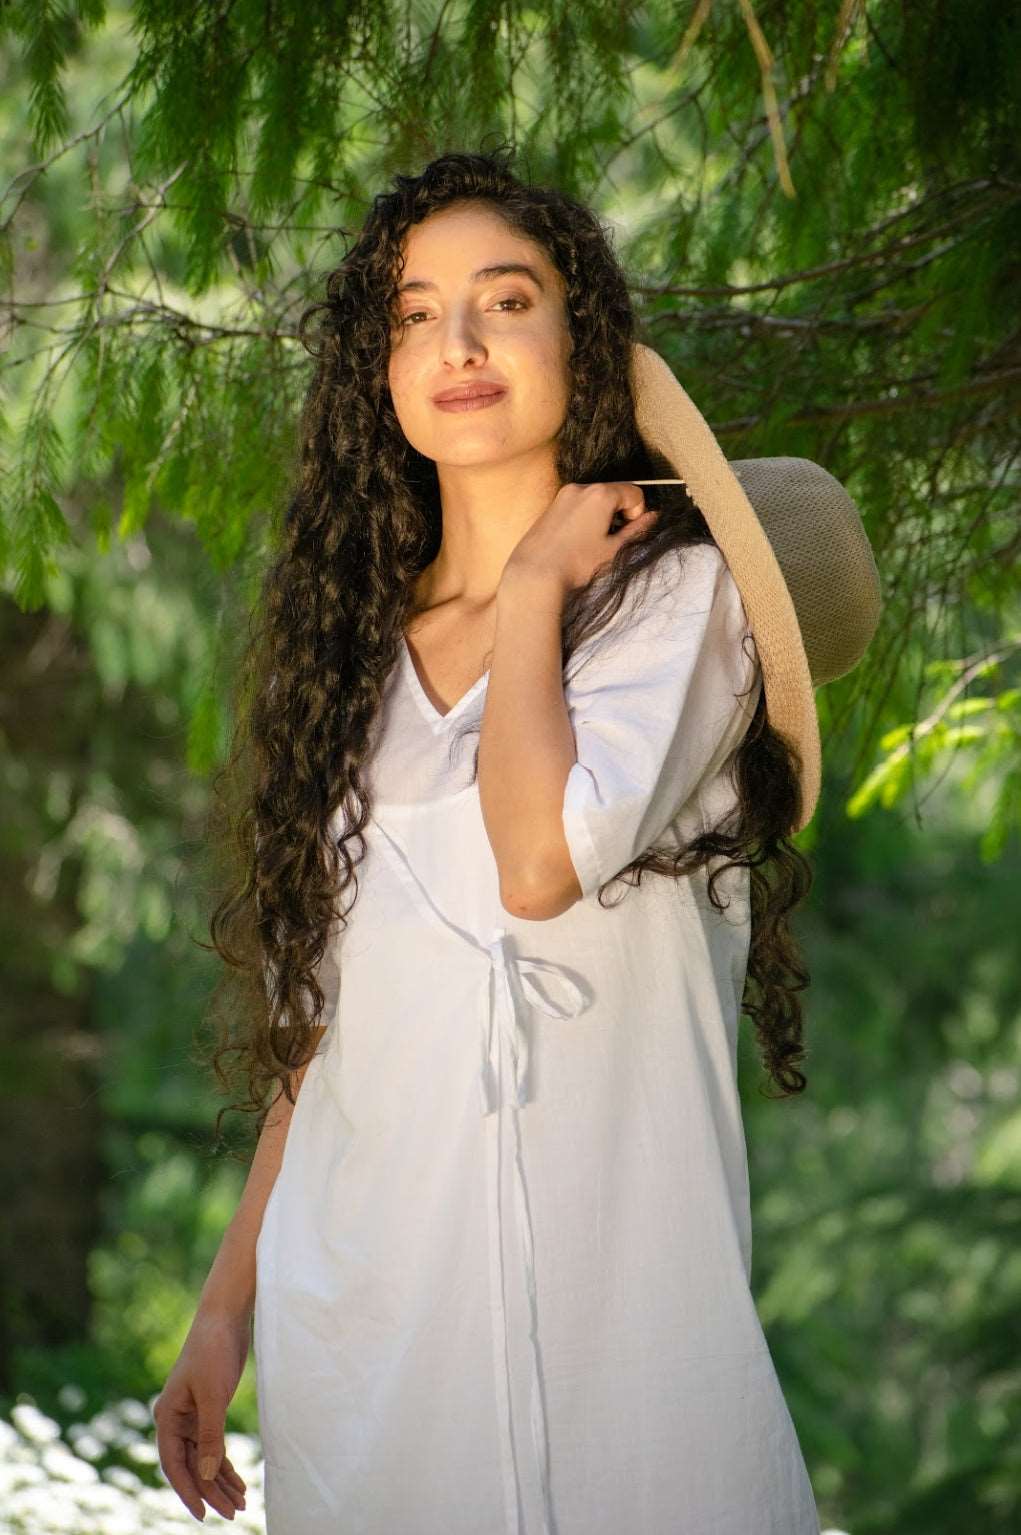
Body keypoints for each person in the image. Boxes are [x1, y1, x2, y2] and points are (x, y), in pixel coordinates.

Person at [153, 147, 881, 1533]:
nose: (460, 344)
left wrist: (539, 580)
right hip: (364, 1334)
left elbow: (539, 863)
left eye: (505, 299)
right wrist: (223, 1312)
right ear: (378, 368)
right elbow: (323, 1040)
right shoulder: (344, 666)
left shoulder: (680, 609)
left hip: (626, 1335)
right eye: (415, 314)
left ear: (580, 338)